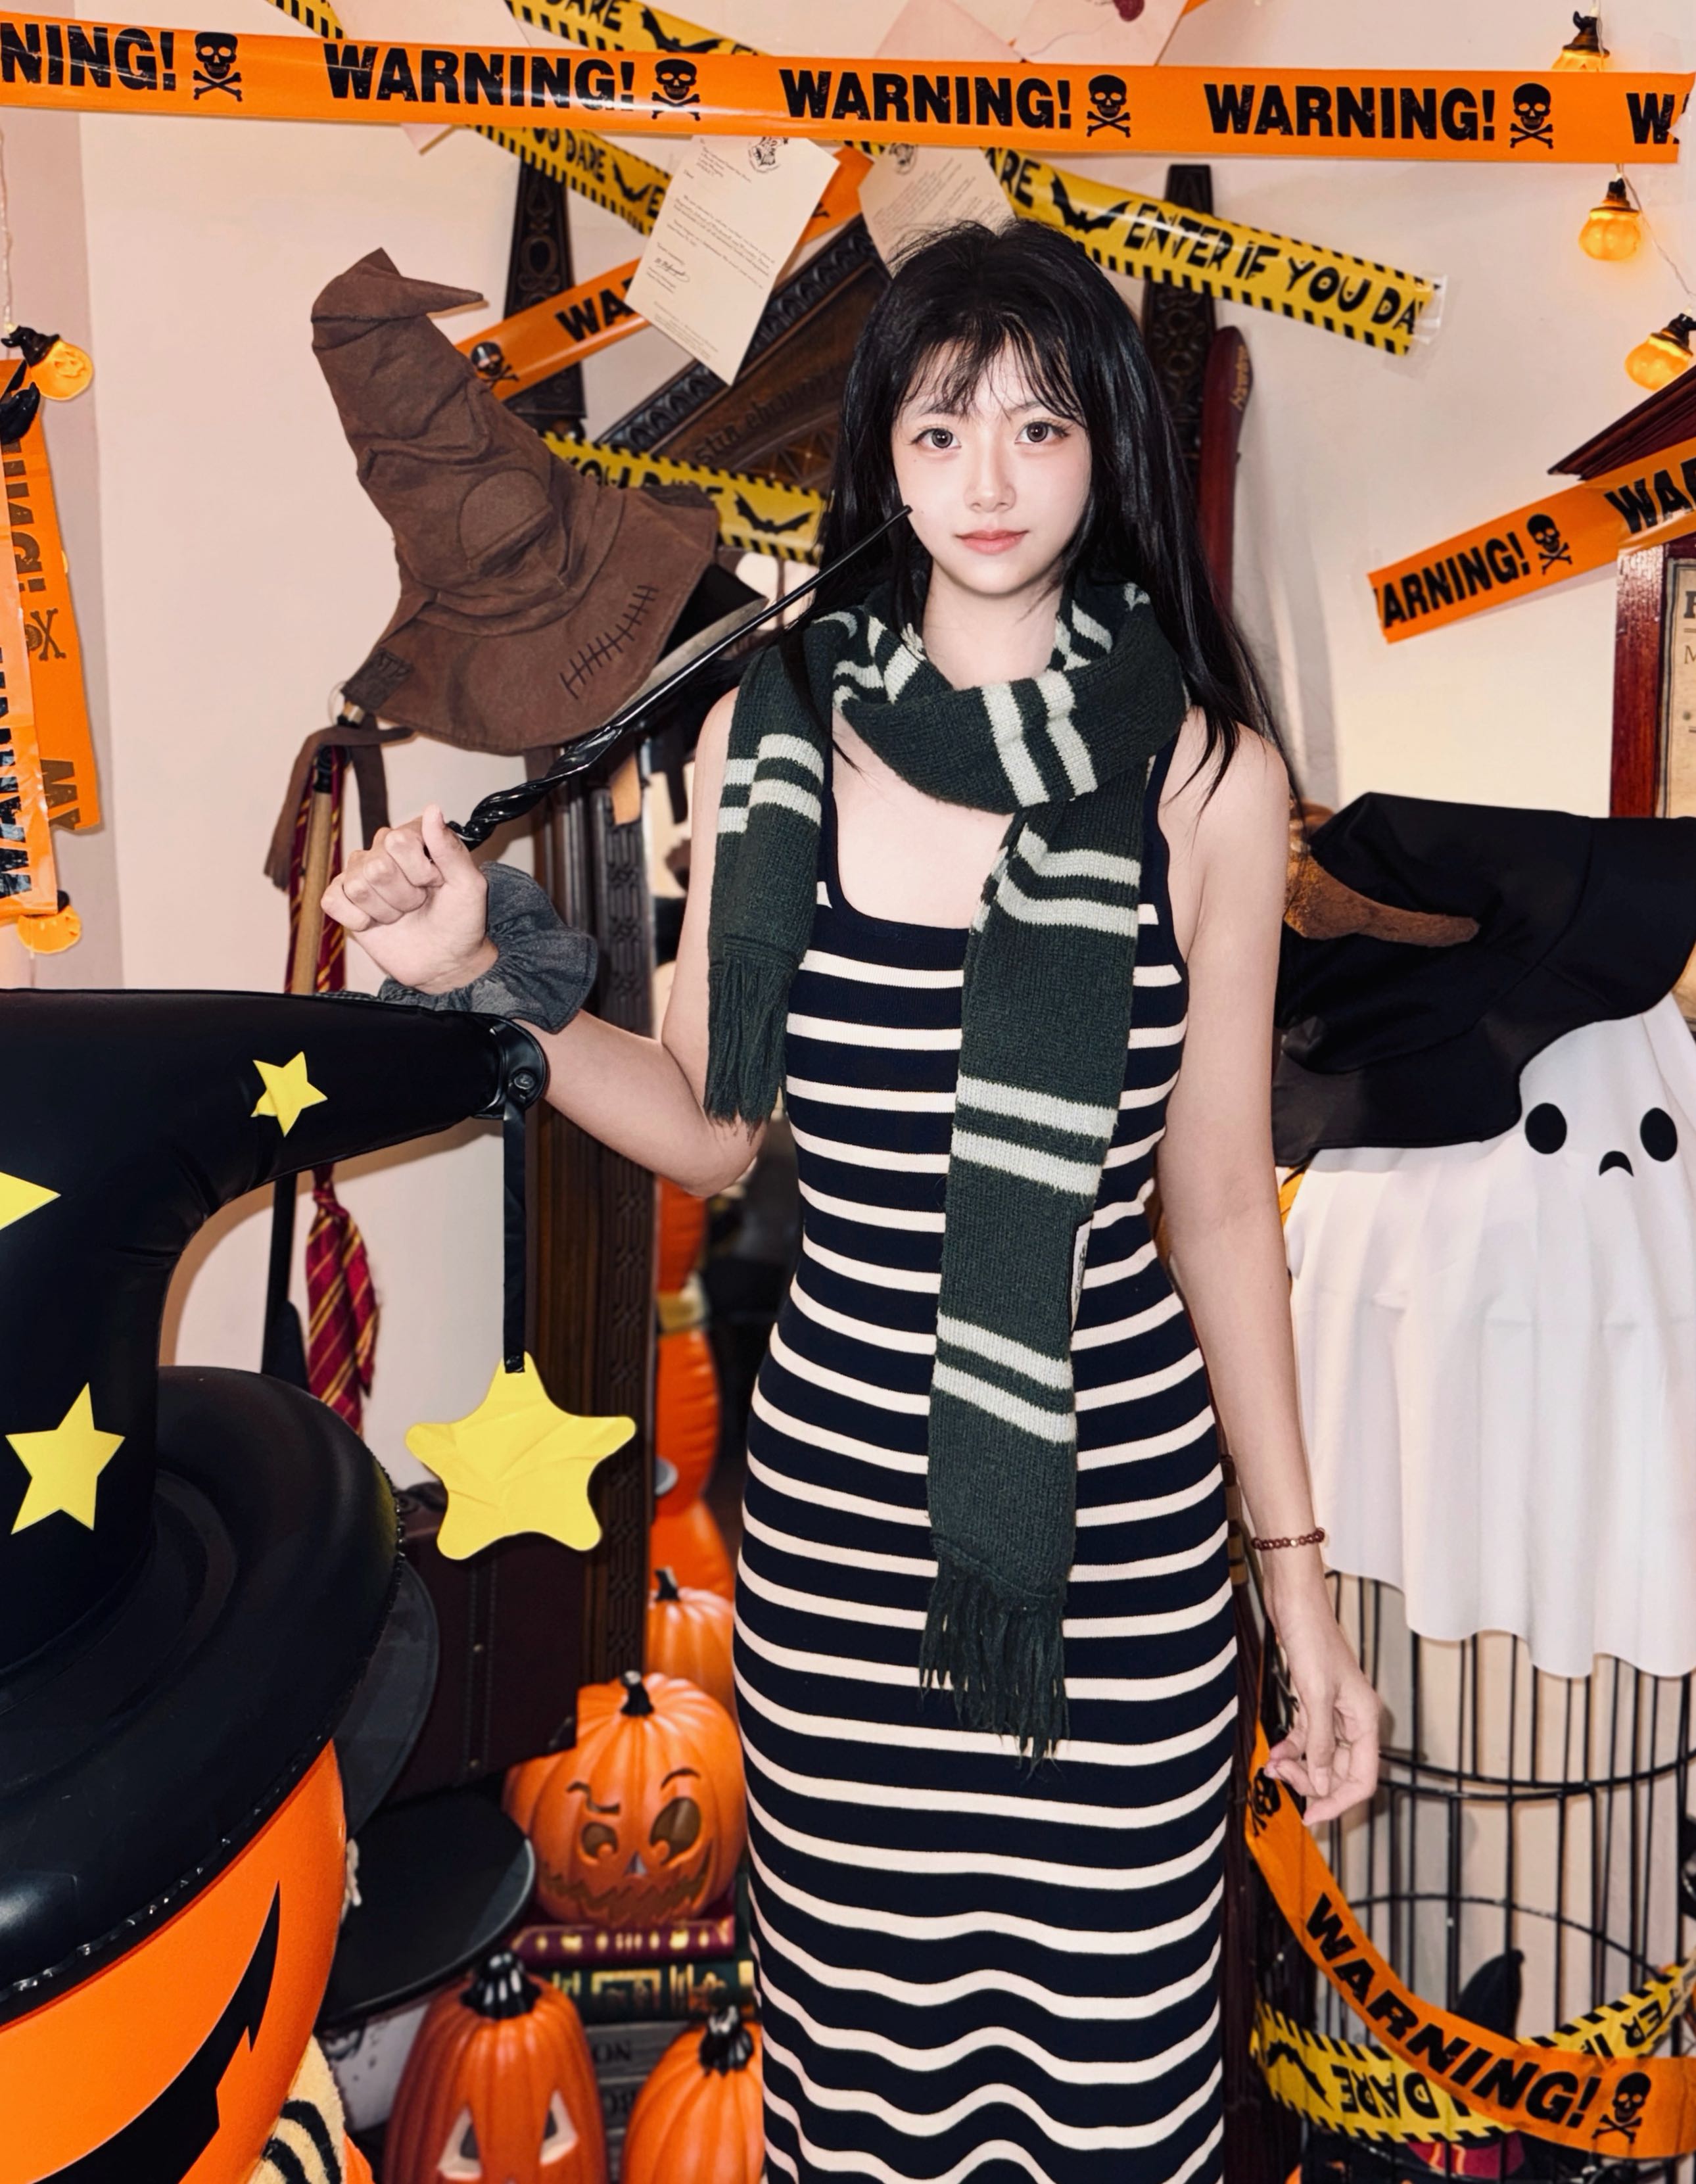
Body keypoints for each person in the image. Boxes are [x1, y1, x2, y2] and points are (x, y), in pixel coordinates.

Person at [327, 220, 1379, 2184]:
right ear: (882, 453)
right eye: (941, 426)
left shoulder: (1207, 778)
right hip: (838, 1545)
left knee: (1118, 2085)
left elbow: (1221, 1203)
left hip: (1119, 1550)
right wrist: (489, 973)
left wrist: (1298, 1591)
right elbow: (712, 1127)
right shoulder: (777, 731)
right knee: (867, 2089)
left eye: (1040, 425)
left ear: (1107, 449)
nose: (989, 478)